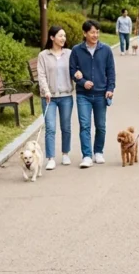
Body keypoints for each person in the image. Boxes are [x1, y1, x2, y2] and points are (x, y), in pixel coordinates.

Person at [70, 20, 116, 168]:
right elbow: (72, 71)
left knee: (101, 125)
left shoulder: (106, 50)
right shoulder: (76, 50)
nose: (95, 35)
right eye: (92, 32)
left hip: (101, 94)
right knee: (84, 125)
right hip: (83, 94)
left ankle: (98, 152)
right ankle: (87, 156)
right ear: (85, 33)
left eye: (97, 32)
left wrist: (110, 89)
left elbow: (111, 72)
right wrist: (83, 82)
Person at [36, 25, 74, 170]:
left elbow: (74, 70)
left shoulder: (69, 54)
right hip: (49, 97)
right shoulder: (43, 55)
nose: (63, 38)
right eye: (60, 36)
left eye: (64, 36)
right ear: (52, 38)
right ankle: (51, 157)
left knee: (66, 127)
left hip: (66, 96)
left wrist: (77, 75)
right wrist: (46, 91)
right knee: (50, 128)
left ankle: (65, 153)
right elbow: (41, 75)